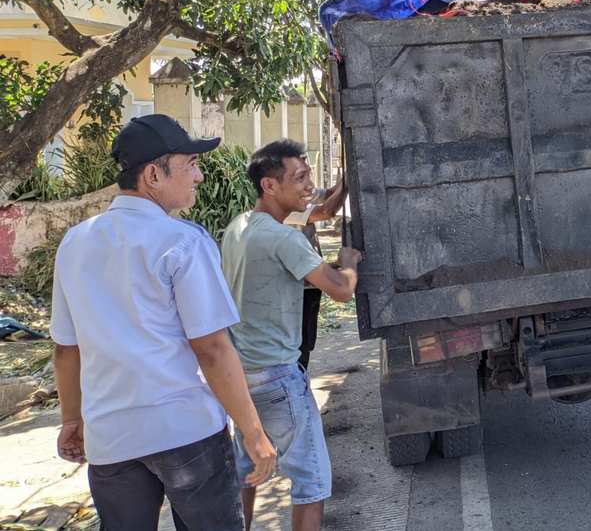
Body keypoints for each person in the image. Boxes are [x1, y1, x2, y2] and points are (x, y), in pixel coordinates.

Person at [50, 114, 275, 531]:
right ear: (153, 174)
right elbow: (211, 348)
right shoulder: (182, 242)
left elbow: (66, 347)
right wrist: (254, 432)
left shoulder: (75, 242)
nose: (200, 175)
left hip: (111, 439)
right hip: (184, 432)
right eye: (190, 164)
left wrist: (72, 420)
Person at [221, 139, 361, 531]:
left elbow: (322, 209)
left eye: (310, 176)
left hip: (241, 375)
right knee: (311, 483)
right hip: (277, 377)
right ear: (269, 185)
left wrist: (343, 184)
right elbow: (340, 290)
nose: (308, 185)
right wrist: (348, 263)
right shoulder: (283, 238)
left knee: (247, 471)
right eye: (300, 178)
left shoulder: (240, 227)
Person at [284, 176, 348, 370]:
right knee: (299, 344)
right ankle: (297, 382)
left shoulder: (302, 193)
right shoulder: (286, 207)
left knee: (307, 339)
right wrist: (348, 183)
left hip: (310, 283)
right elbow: (327, 211)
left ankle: (300, 377)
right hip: (297, 287)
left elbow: (328, 194)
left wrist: (345, 176)